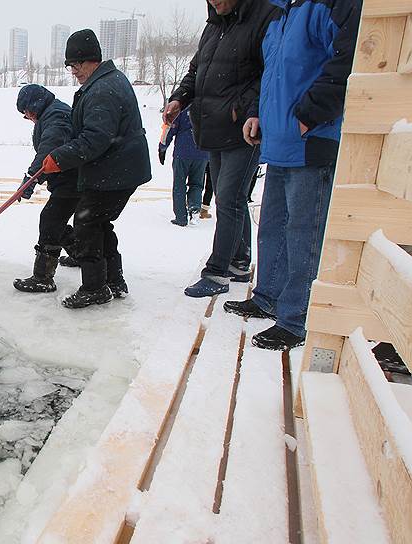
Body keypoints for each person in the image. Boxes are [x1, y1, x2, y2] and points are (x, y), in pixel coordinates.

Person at [224, 0, 362, 350]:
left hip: (311, 139)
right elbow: (271, 76)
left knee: (304, 233)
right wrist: (258, 114)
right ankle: (268, 295)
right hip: (279, 141)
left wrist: (311, 113)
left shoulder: (329, 6)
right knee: (272, 226)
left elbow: (349, 58)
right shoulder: (281, 17)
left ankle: (295, 318)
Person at [163, 0, 278, 297]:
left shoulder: (264, 17)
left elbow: (270, 73)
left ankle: (216, 274)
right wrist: (180, 99)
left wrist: (251, 111)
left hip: (243, 130)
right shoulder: (213, 27)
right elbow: (196, 70)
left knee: (229, 199)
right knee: (231, 200)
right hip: (212, 127)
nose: (215, 1)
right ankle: (239, 262)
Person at [41, 29, 151, 309]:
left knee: (86, 222)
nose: (73, 71)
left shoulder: (102, 89)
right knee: (99, 222)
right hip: (120, 168)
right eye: (70, 66)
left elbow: (96, 138)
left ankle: (94, 287)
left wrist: (59, 157)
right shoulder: (107, 81)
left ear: (90, 60)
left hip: (116, 169)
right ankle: (114, 280)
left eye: (75, 65)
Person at [12, 84, 80, 293]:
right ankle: (79, 252)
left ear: (35, 106)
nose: (29, 118)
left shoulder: (56, 116)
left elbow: (48, 149)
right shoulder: (52, 112)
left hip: (72, 179)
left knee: (51, 220)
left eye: (28, 113)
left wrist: (31, 178)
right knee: (56, 220)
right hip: (69, 177)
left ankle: (43, 278)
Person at [158, 105, 209, 227]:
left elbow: (169, 128)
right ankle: (195, 207)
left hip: (183, 152)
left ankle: (181, 217)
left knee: (179, 185)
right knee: (197, 184)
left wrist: (162, 147)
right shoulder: (208, 108)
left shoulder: (181, 108)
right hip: (202, 153)